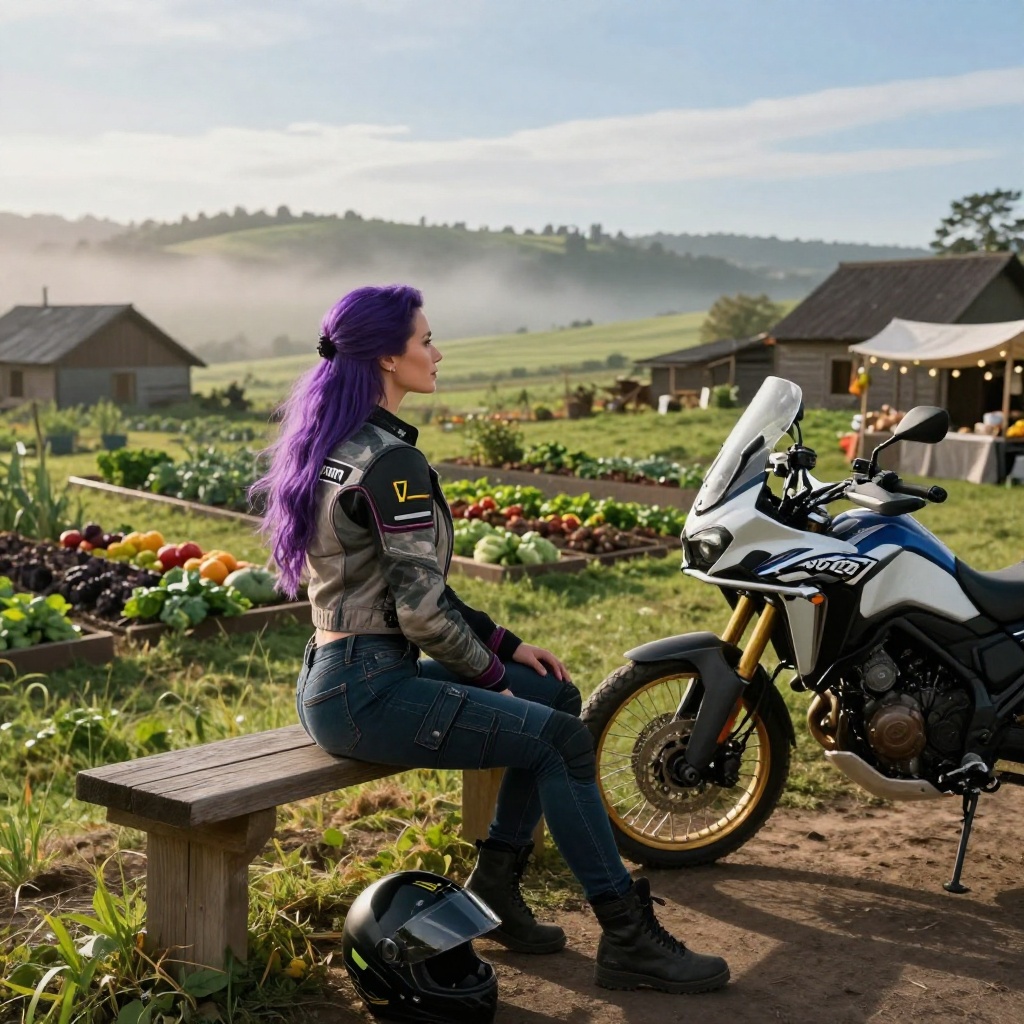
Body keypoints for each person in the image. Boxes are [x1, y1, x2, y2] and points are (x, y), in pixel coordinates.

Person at [251, 284, 730, 995]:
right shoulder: (391, 463)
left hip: (340, 673)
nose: (437, 353)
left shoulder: (340, 444)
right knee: (557, 738)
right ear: (388, 355)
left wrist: (505, 646)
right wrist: (492, 680)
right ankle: (630, 938)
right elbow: (421, 616)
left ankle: (498, 885)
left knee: (558, 694)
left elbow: (411, 590)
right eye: (426, 340)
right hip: (368, 690)